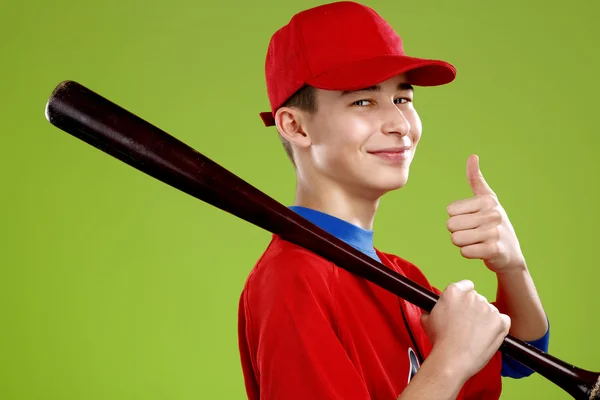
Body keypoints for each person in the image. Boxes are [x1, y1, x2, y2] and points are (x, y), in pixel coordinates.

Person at [237, 2, 550, 399]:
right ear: (295, 125)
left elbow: (521, 357)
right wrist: (450, 360)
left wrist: (512, 266)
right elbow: (459, 360)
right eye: (363, 101)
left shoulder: (399, 275)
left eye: (403, 99)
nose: (400, 125)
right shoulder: (291, 279)